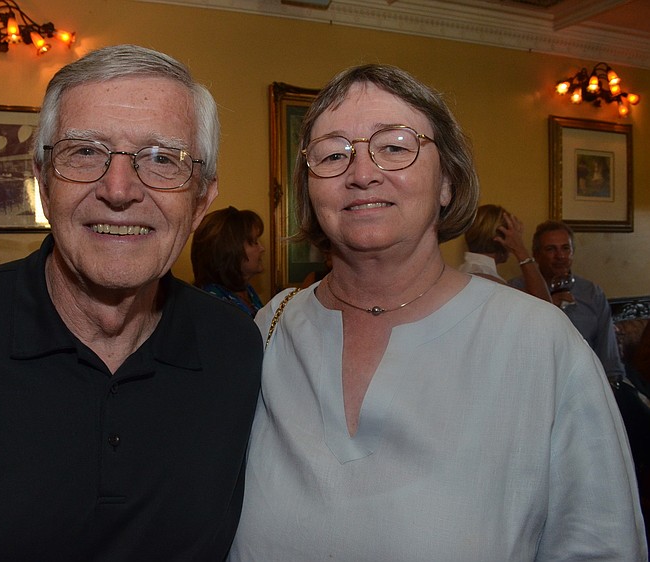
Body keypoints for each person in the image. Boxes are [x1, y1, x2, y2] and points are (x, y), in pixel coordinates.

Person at [0, 45, 263, 561]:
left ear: (201, 200)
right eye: (84, 152)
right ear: (43, 183)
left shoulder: (235, 348)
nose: (119, 190)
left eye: (161, 158)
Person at [228, 63, 646, 560]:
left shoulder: (537, 340)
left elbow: (601, 542)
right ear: (309, 189)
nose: (362, 173)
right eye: (333, 154)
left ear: (447, 180)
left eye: (395, 147)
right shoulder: (271, 328)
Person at [509, 220, 626, 381]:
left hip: (587, 379)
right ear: (536, 254)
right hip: (538, 378)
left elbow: (607, 350)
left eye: (566, 248)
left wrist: (613, 383)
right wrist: (549, 307)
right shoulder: (516, 289)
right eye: (551, 249)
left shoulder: (591, 293)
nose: (560, 256)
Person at [459, 204, 551, 302]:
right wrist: (520, 249)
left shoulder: (468, 270)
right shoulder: (483, 276)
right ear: (502, 237)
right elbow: (543, 304)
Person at [191, 206, 266, 317]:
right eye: (254, 242)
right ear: (230, 249)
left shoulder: (247, 290)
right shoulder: (211, 304)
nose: (262, 249)